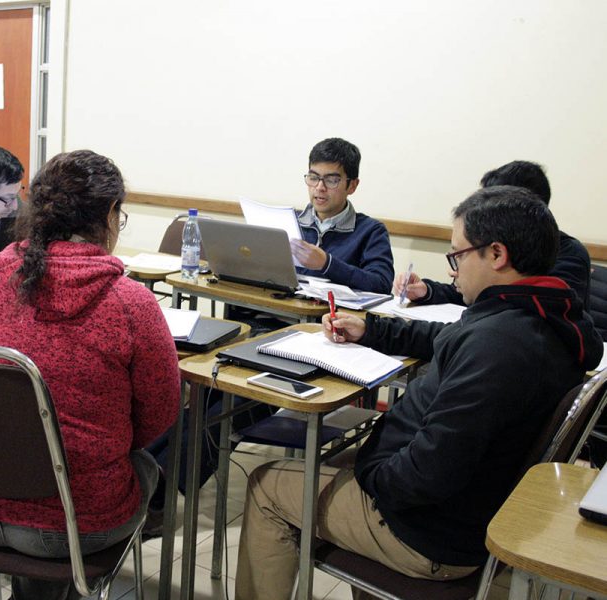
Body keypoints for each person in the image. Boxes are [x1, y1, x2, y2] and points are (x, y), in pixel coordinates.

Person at [235, 186, 603, 600]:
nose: (452, 271)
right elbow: (452, 335)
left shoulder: (498, 346)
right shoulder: (543, 314)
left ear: (497, 255)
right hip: (471, 506)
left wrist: (369, 477)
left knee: (267, 485)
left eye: (457, 255)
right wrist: (372, 329)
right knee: (342, 461)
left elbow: (431, 471)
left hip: (430, 533)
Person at [0, 149, 180, 600]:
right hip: (72, 525)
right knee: (143, 466)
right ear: (111, 214)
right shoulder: (130, 303)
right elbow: (158, 415)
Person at [394, 160, 591, 309]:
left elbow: (530, 311)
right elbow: (469, 298)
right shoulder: (490, 242)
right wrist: (428, 291)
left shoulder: (568, 253)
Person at [291, 137, 394, 293]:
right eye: (313, 178)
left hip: (331, 315)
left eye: (331, 180)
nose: (319, 187)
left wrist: (327, 264)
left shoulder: (371, 231)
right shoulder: (290, 221)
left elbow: (381, 284)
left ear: (352, 186)